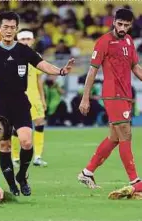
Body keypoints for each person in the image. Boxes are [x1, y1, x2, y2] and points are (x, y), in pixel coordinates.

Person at [0, 11, 75, 196]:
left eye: (12, 28)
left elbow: (43, 65)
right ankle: (11, 184)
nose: (8, 31)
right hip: (0, 103)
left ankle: (21, 176)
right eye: (5, 27)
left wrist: (61, 71)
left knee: (26, 142)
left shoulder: (23, 51)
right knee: (4, 145)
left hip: (20, 101)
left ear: (16, 29)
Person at [78, 8, 142, 189]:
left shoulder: (129, 41)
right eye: (119, 24)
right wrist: (85, 98)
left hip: (126, 94)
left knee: (114, 137)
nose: (122, 28)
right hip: (112, 94)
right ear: (114, 22)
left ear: (130, 26)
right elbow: (92, 71)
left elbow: (136, 67)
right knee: (126, 133)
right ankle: (135, 181)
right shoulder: (104, 42)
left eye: (126, 25)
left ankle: (87, 172)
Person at [11, 29, 48, 168]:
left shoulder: (36, 56)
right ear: (18, 41)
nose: (26, 41)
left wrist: (42, 99)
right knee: (17, 128)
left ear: (32, 41)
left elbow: (39, 80)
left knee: (39, 123)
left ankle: (37, 156)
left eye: (28, 39)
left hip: (35, 98)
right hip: (18, 97)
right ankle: (15, 157)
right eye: (23, 39)